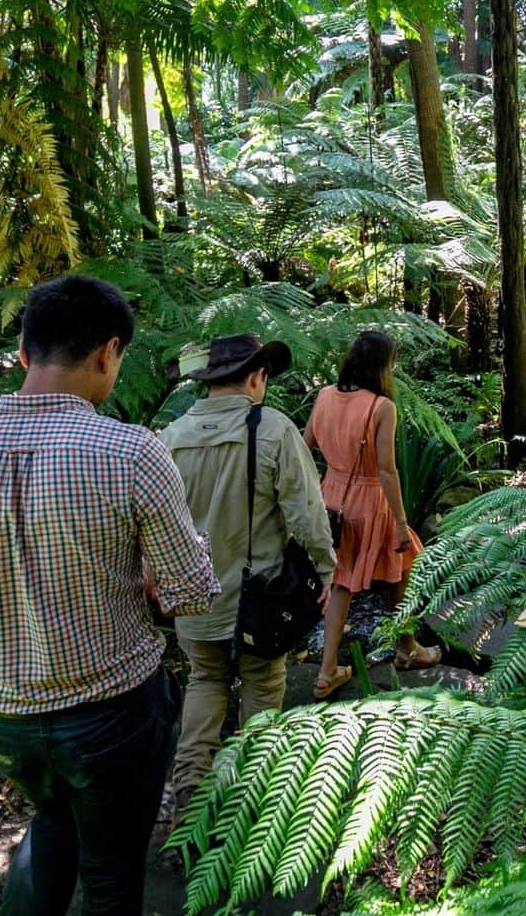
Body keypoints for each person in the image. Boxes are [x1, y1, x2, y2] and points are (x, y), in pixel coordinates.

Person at [0, 273, 220, 916]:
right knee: (113, 874)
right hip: (115, 712)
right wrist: (146, 577)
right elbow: (191, 593)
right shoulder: (131, 453)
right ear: (109, 353)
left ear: (25, 354)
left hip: (7, 721)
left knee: (54, 821)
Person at [159, 333, 336, 814]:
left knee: (204, 682)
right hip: (260, 600)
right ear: (256, 378)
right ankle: (250, 806)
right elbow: (306, 513)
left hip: (193, 597)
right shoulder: (274, 430)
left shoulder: (168, 440)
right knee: (262, 684)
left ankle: (189, 806)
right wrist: (326, 567)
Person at [304, 330, 441, 698]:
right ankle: (400, 649)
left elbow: (304, 449)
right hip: (369, 500)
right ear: (385, 366)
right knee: (393, 567)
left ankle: (337, 666)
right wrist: (399, 521)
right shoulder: (381, 407)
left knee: (354, 578)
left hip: (331, 496)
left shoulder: (324, 397)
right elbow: (386, 470)